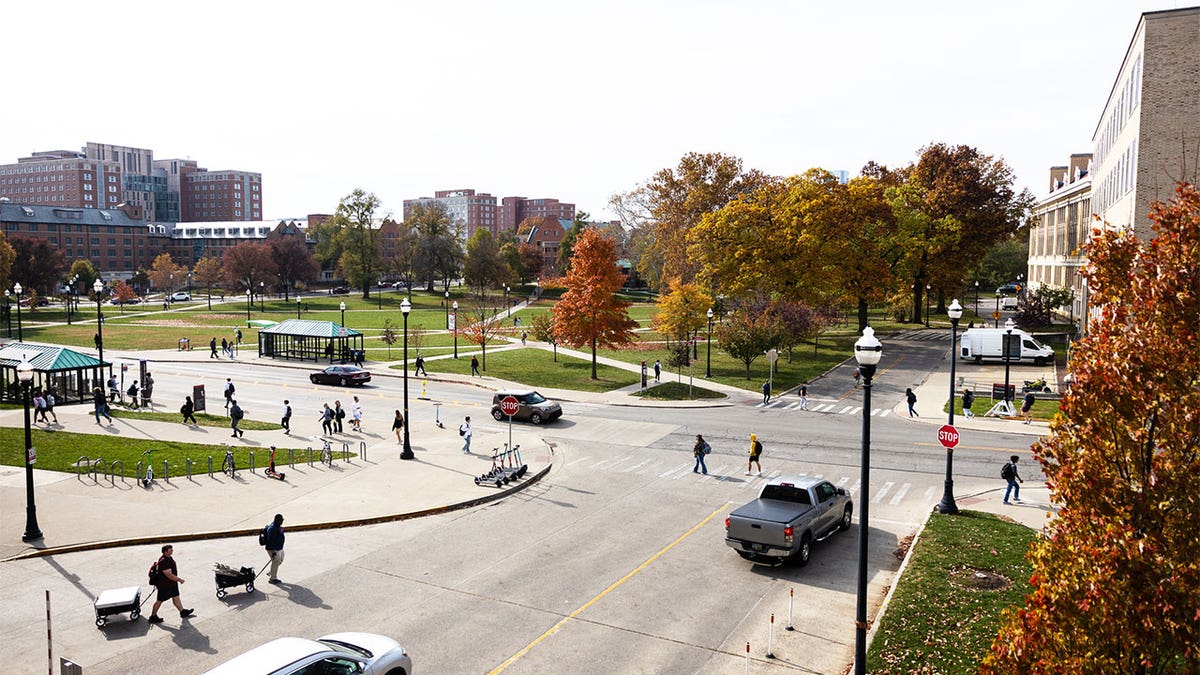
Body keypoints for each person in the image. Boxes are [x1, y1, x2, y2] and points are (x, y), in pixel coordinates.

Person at [147, 544, 193, 624]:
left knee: (176, 597)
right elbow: (169, 575)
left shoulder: (168, 558)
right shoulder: (163, 561)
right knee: (159, 601)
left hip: (171, 584)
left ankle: (182, 611)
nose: (172, 551)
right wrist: (179, 580)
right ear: (165, 552)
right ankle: (153, 616)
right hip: (165, 586)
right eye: (170, 550)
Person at [262, 514, 286, 584]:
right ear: (279, 521)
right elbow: (270, 541)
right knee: (276, 561)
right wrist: (273, 552)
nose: (282, 521)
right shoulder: (272, 529)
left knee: (280, 560)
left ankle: (272, 572)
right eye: (282, 520)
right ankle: (273, 578)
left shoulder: (278, 527)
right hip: (274, 549)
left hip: (279, 548)